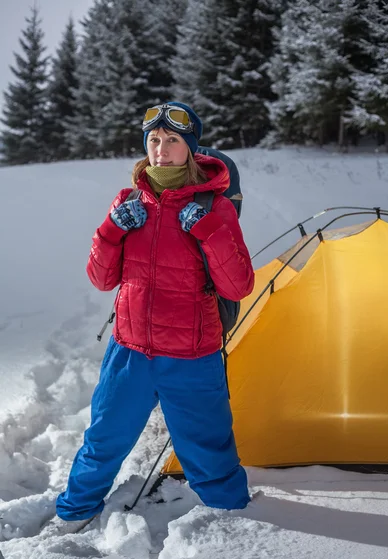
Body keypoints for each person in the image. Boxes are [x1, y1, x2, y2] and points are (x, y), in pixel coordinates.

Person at [45, 102, 255, 535]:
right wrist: (111, 229)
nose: (161, 149)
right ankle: (74, 514)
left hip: (192, 356)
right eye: (154, 140)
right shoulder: (127, 201)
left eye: (173, 140)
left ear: (191, 149)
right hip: (130, 352)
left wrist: (208, 231)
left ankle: (237, 525)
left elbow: (238, 287)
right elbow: (101, 279)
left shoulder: (215, 207)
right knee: (103, 442)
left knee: (210, 451)